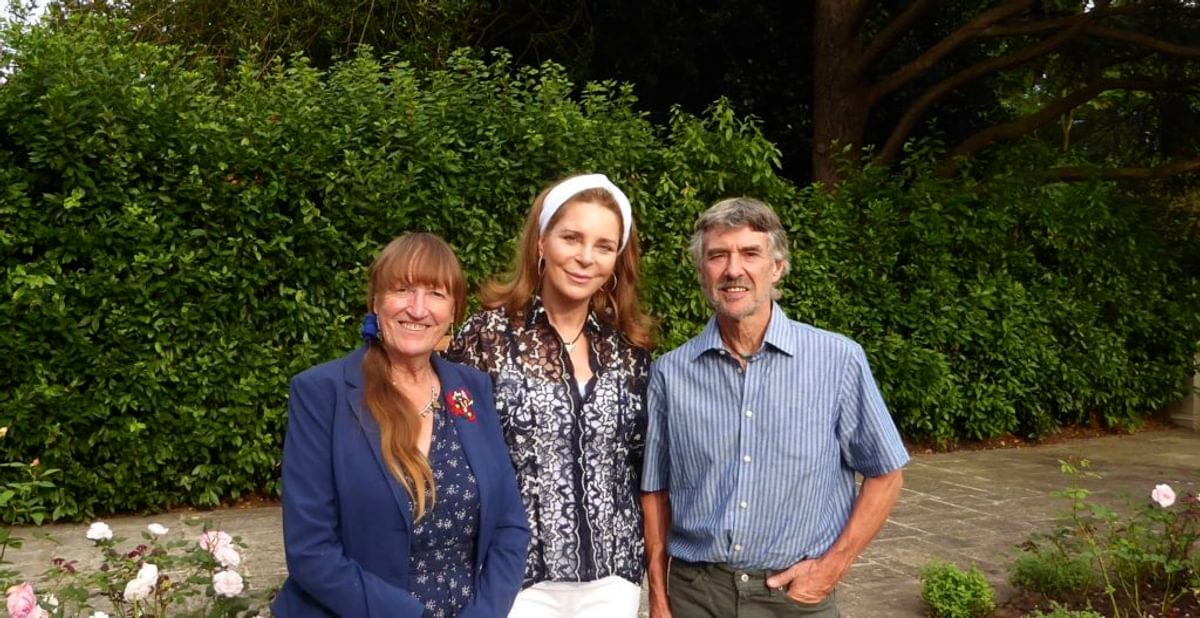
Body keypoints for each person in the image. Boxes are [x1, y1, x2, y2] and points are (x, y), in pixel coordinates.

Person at [641, 198, 909, 617]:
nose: (733, 269)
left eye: (750, 253)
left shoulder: (837, 361)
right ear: (702, 271)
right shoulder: (670, 374)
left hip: (794, 599)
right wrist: (658, 597)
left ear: (777, 267)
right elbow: (655, 493)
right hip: (696, 595)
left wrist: (833, 565)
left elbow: (886, 473)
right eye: (717, 256)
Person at [273, 233, 530, 618]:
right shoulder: (321, 393)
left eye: (436, 294)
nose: (417, 309)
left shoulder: (471, 389)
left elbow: (510, 527)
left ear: (454, 312)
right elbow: (311, 551)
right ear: (376, 302)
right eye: (402, 290)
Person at [447, 174, 655, 618]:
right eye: (571, 238)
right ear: (541, 243)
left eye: (604, 246)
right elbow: (454, 456)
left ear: (617, 260)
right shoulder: (485, 339)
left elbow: (642, 464)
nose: (585, 258)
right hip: (517, 576)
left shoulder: (628, 350)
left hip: (612, 577)